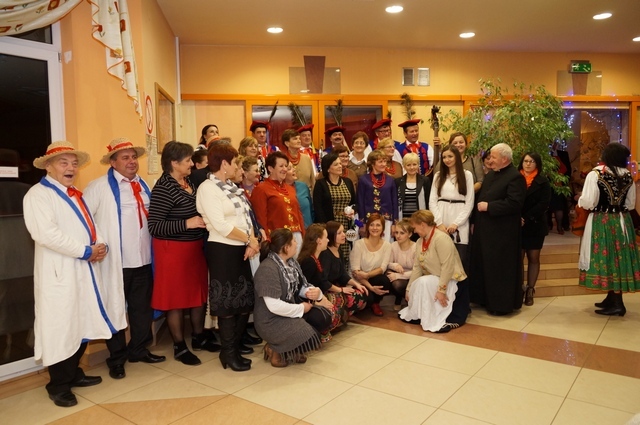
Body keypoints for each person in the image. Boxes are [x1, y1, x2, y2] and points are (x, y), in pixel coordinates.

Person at [23, 141, 122, 407]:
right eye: (64, 163)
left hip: (82, 270)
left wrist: (100, 244)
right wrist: (85, 251)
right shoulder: (37, 195)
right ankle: (58, 385)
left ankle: (73, 373)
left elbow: (91, 225)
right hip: (60, 274)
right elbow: (46, 234)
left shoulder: (75, 194)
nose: (71, 168)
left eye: (74, 163)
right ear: (48, 166)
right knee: (61, 327)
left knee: (80, 323)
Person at [84, 138, 166, 382]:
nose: (131, 162)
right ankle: (117, 359)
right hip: (116, 263)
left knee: (142, 309)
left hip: (143, 260)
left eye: (133, 157)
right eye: (125, 158)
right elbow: (86, 221)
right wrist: (97, 244)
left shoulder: (143, 184)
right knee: (116, 309)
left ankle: (139, 349)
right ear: (113, 162)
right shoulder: (98, 187)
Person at [196, 143, 260, 372]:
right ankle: (229, 353)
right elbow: (221, 226)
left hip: (242, 247)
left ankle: (234, 347)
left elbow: (246, 217)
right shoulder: (207, 188)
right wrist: (249, 240)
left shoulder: (232, 187)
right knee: (227, 304)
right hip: (222, 250)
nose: (237, 168)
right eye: (235, 163)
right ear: (224, 164)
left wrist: (252, 240)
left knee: (243, 302)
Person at [148, 141, 208, 366]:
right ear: (174, 163)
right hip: (173, 251)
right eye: (187, 160)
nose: (192, 164)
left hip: (194, 249)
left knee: (197, 295)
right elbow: (155, 226)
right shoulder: (164, 188)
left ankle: (199, 337)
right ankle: (179, 346)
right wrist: (187, 223)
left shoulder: (188, 181)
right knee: (176, 300)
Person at [254, 229, 332, 367]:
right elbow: (274, 306)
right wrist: (301, 308)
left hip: (287, 312)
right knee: (310, 336)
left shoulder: (291, 263)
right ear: (286, 247)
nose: (297, 243)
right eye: (294, 241)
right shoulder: (268, 268)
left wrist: (315, 293)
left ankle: (289, 349)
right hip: (270, 320)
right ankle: (275, 349)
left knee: (323, 317)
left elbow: (300, 287)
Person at [578, 143, 640, 316]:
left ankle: (618, 303)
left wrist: (580, 200)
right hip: (622, 221)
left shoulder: (596, 173)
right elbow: (630, 204)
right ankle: (612, 297)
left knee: (606, 256)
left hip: (602, 220)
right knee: (618, 257)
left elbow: (588, 201)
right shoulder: (627, 175)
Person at [470, 143, 526, 315]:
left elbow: (515, 203)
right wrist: (474, 222)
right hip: (484, 230)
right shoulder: (491, 174)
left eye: (493, 157)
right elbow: (480, 199)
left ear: (505, 159)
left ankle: (500, 305)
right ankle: (483, 299)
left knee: (499, 269)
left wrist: (490, 207)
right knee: (484, 265)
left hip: (502, 234)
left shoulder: (515, 177)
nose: (490, 160)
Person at [398, 210, 467, 333]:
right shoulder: (420, 241)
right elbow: (417, 267)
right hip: (433, 278)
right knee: (420, 282)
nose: (414, 231)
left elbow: (447, 267)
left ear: (422, 225)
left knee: (424, 282)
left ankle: (436, 316)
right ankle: (420, 314)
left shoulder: (442, 238)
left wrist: (441, 290)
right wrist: (409, 289)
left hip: (451, 280)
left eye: (415, 228)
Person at [428, 144, 474, 327]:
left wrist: (456, 223)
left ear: (456, 157)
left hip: (459, 222)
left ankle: (460, 306)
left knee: (459, 265)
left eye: (450, 156)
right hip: (441, 221)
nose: (447, 160)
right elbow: (432, 201)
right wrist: (439, 223)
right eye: (444, 157)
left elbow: (469, 202)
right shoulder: (438, 176)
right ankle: (443, 303)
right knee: (442, 263)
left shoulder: (467, 175)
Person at [251, 151, 306, 251]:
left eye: (286, 166)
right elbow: (260, 218)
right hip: (278, 239)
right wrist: (266, 240)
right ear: (270, 168)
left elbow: (299, 214)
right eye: (281, 166)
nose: (285, 169)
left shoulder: (290, 188)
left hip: (296, 236)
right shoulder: (261, 189)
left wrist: (303, 234)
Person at [518, 152, 552, 306]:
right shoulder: (515, 179)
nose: (528, 164)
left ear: (537, 164)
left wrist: (526, 217)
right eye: (526, 161)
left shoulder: (543, 181)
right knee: (518, 257)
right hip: (516, 224)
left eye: (531, 161)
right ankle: (519, 288)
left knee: (533, 257)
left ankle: (530, 290)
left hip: (535, 224)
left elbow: (543, 204)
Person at [313, 152, 357, 264]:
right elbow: (318, 208)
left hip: (346, 224)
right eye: (336, 164)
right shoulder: (320, 184)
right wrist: (326, 228)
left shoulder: (348, 182)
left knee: (346, 254)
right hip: (329, 226)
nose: (340, 166)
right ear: (328, 168)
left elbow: (354, 203)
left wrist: (353, 211)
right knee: (329, 254)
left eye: (340, 163)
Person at [319, 221, 370, 314]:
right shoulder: (325, 254)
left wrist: (356, 284)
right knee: (355, 298)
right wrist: (341, 290)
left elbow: (343, 274)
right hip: (325, 290)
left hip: (336, 287)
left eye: (343, 231)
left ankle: (342, 314)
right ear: (331, 235)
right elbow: (323, 281)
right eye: (339, 233)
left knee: (362, 292)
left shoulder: (339, 250)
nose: (344, 235)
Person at [350, 213, 393, 316]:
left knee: (384, 280)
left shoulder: (387, 245)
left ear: (383, 228)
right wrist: (371, 287)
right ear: (368, 227)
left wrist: (367, 275)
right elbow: (356, 272)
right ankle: (369, 301)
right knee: (368, 298)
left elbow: (382, 268)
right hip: (359, 281)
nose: (375, 228)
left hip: (373, 278)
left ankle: (375, 303)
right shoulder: (359, 244)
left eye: (378, 225)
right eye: (372, 225)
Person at [357, 149, 398, 241]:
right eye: (380, 162)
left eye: (385, 161)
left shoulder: (390, 180)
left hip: (387, 220)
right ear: (372, 163)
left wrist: (395, 224)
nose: (384, 164)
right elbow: (360, 202)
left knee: (386, 245)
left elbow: (395, 203)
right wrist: (362, 223)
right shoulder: (364, 180)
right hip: (369, 220)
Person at [386, 219, 416, 310]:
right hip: (398, 276)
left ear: (409, 234)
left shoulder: (415, 247)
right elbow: (387, 263)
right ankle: (399, 296)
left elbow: (417, 271)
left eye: (402, 233)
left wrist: (398, 275)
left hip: (412, 277)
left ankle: (412, 301)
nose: (398, 236)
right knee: (388, 276)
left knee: (397, 283)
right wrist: (395, 265)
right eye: (396, 232)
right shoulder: (393, 245)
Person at [396, 152, 430, 220]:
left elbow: (428, 200)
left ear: (418, 165)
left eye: (414, 164)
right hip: (403, 220)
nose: (412, 167)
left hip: (420, 219)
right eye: (408, 165)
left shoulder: (425, 180)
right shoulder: (398, 182)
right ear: (404, 166)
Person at [286, 162, 314, 229]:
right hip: (291, 230)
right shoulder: (278, 190)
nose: (294, 170)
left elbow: (311, 210)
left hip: (308, 230)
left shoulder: (303, 186)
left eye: (293, 167)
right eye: (289, 168)